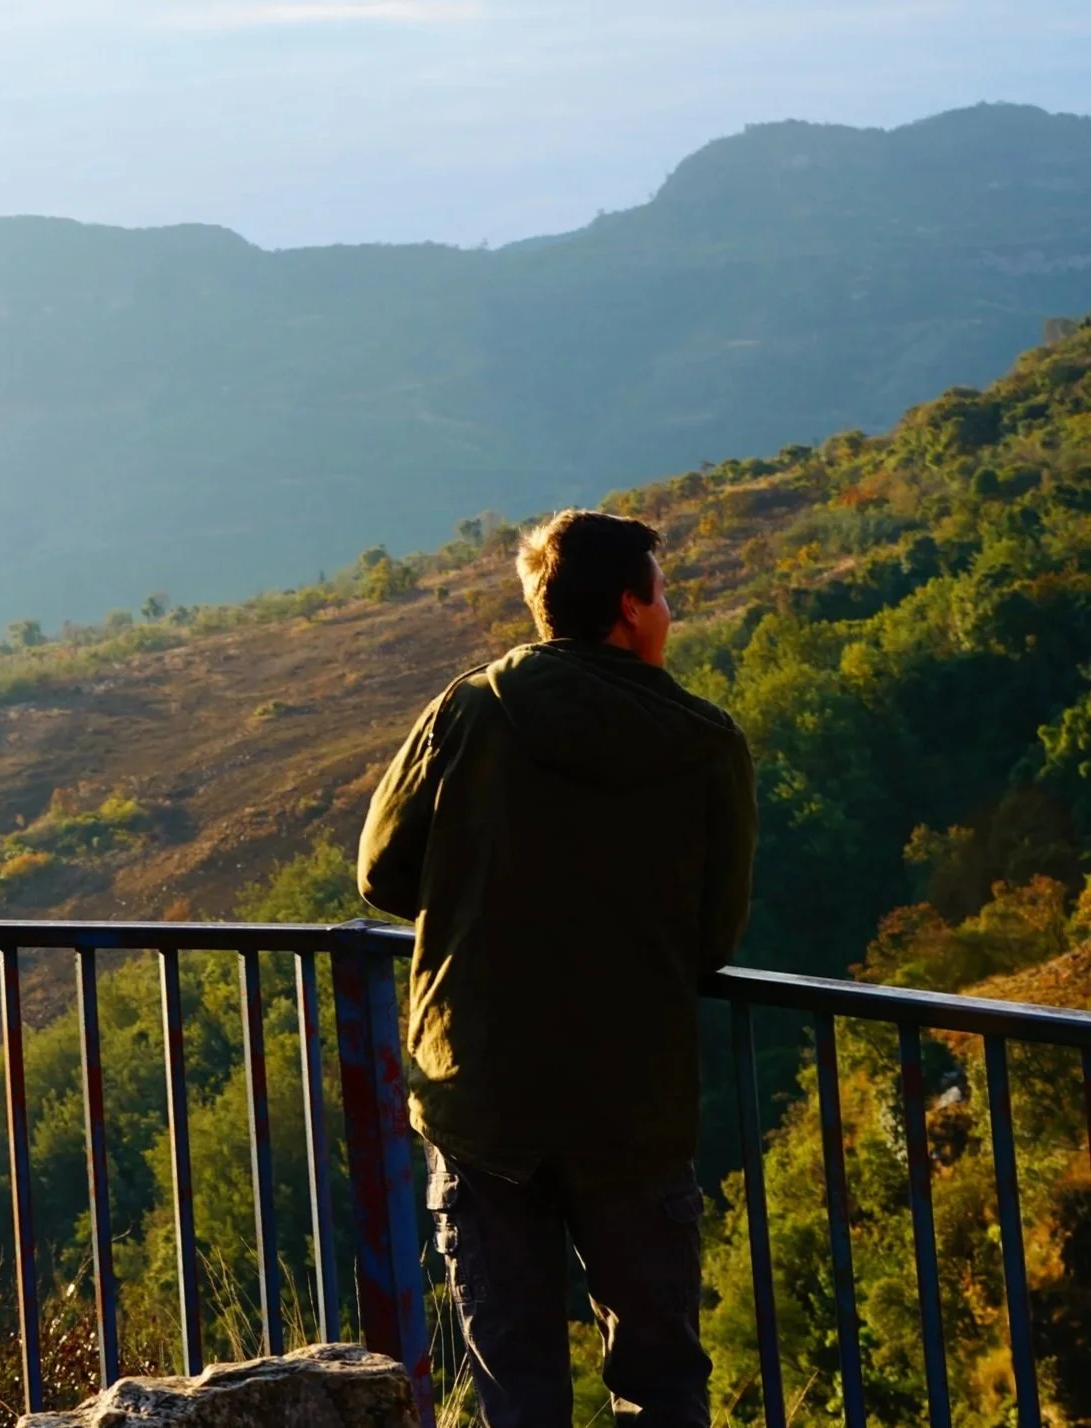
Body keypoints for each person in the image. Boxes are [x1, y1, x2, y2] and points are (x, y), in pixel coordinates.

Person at [356, 509, 756, 1427]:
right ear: (628, 606)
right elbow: (713, 939)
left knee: (515, 1377)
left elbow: (381, 872)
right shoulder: (703, 742)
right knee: (658, 1379)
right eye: (662, 591)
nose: (669, 609)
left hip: (484, 1091)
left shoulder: (470, 707)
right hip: (630, 1102)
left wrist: (484, 896)